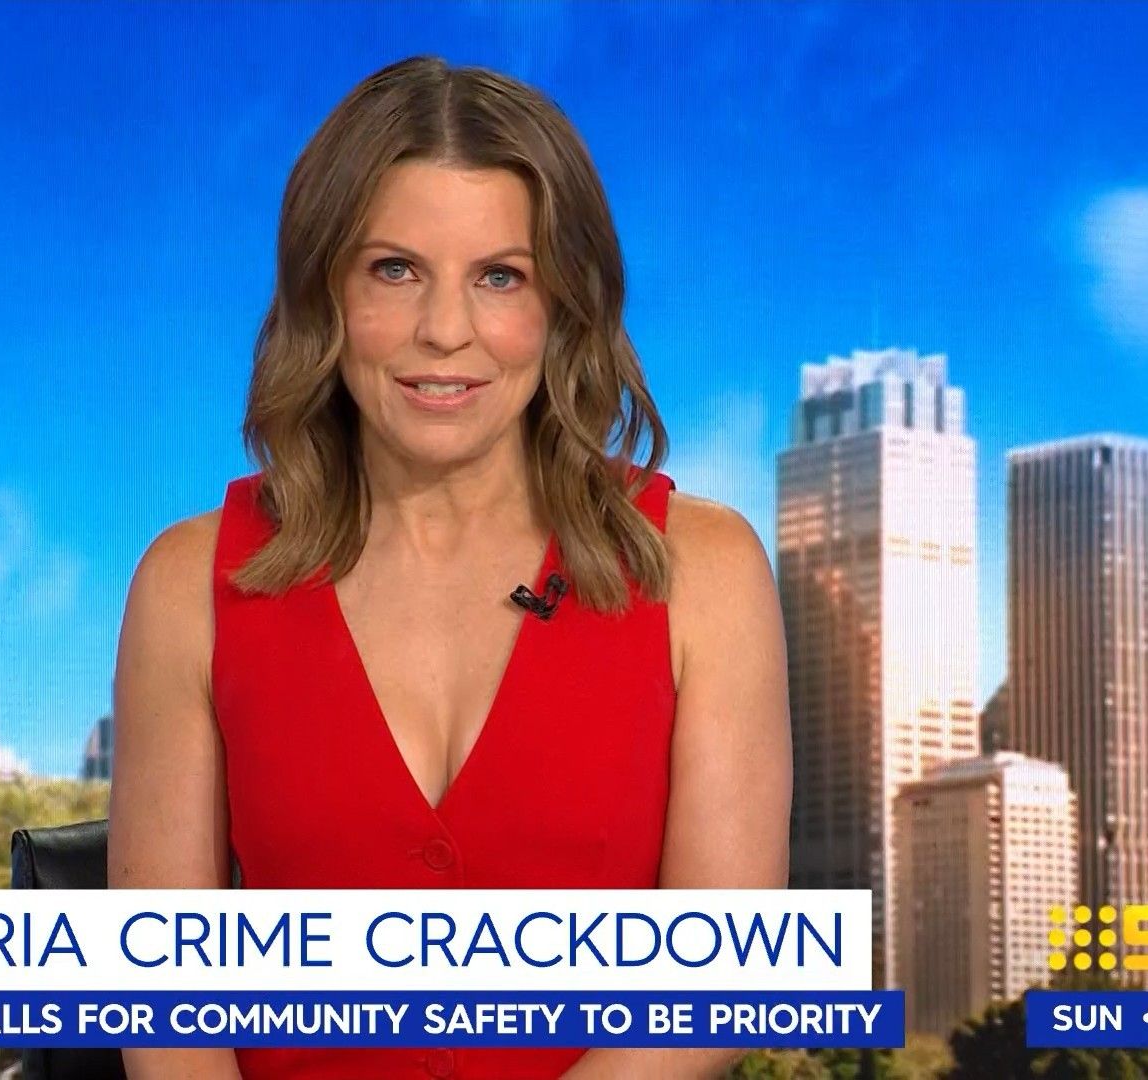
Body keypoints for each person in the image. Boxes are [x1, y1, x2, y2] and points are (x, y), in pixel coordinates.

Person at [110, 55, 791, 1080]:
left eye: (499, 277)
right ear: (325, 293)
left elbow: (716, 991)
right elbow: (169, 1020)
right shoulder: (187, 584)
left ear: (562, 304)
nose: (444, 331)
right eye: (395, 270)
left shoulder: (705, 569)